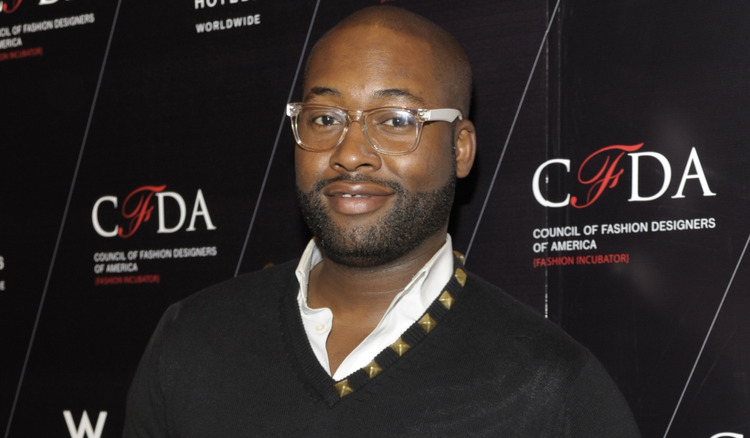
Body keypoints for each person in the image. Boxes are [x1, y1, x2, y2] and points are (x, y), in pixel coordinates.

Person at [123, 5, 640, 437]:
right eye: (324, 119)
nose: (350, 154)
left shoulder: (552, 388)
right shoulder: (191, 338)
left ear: (460, 148)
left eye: (396, 121)